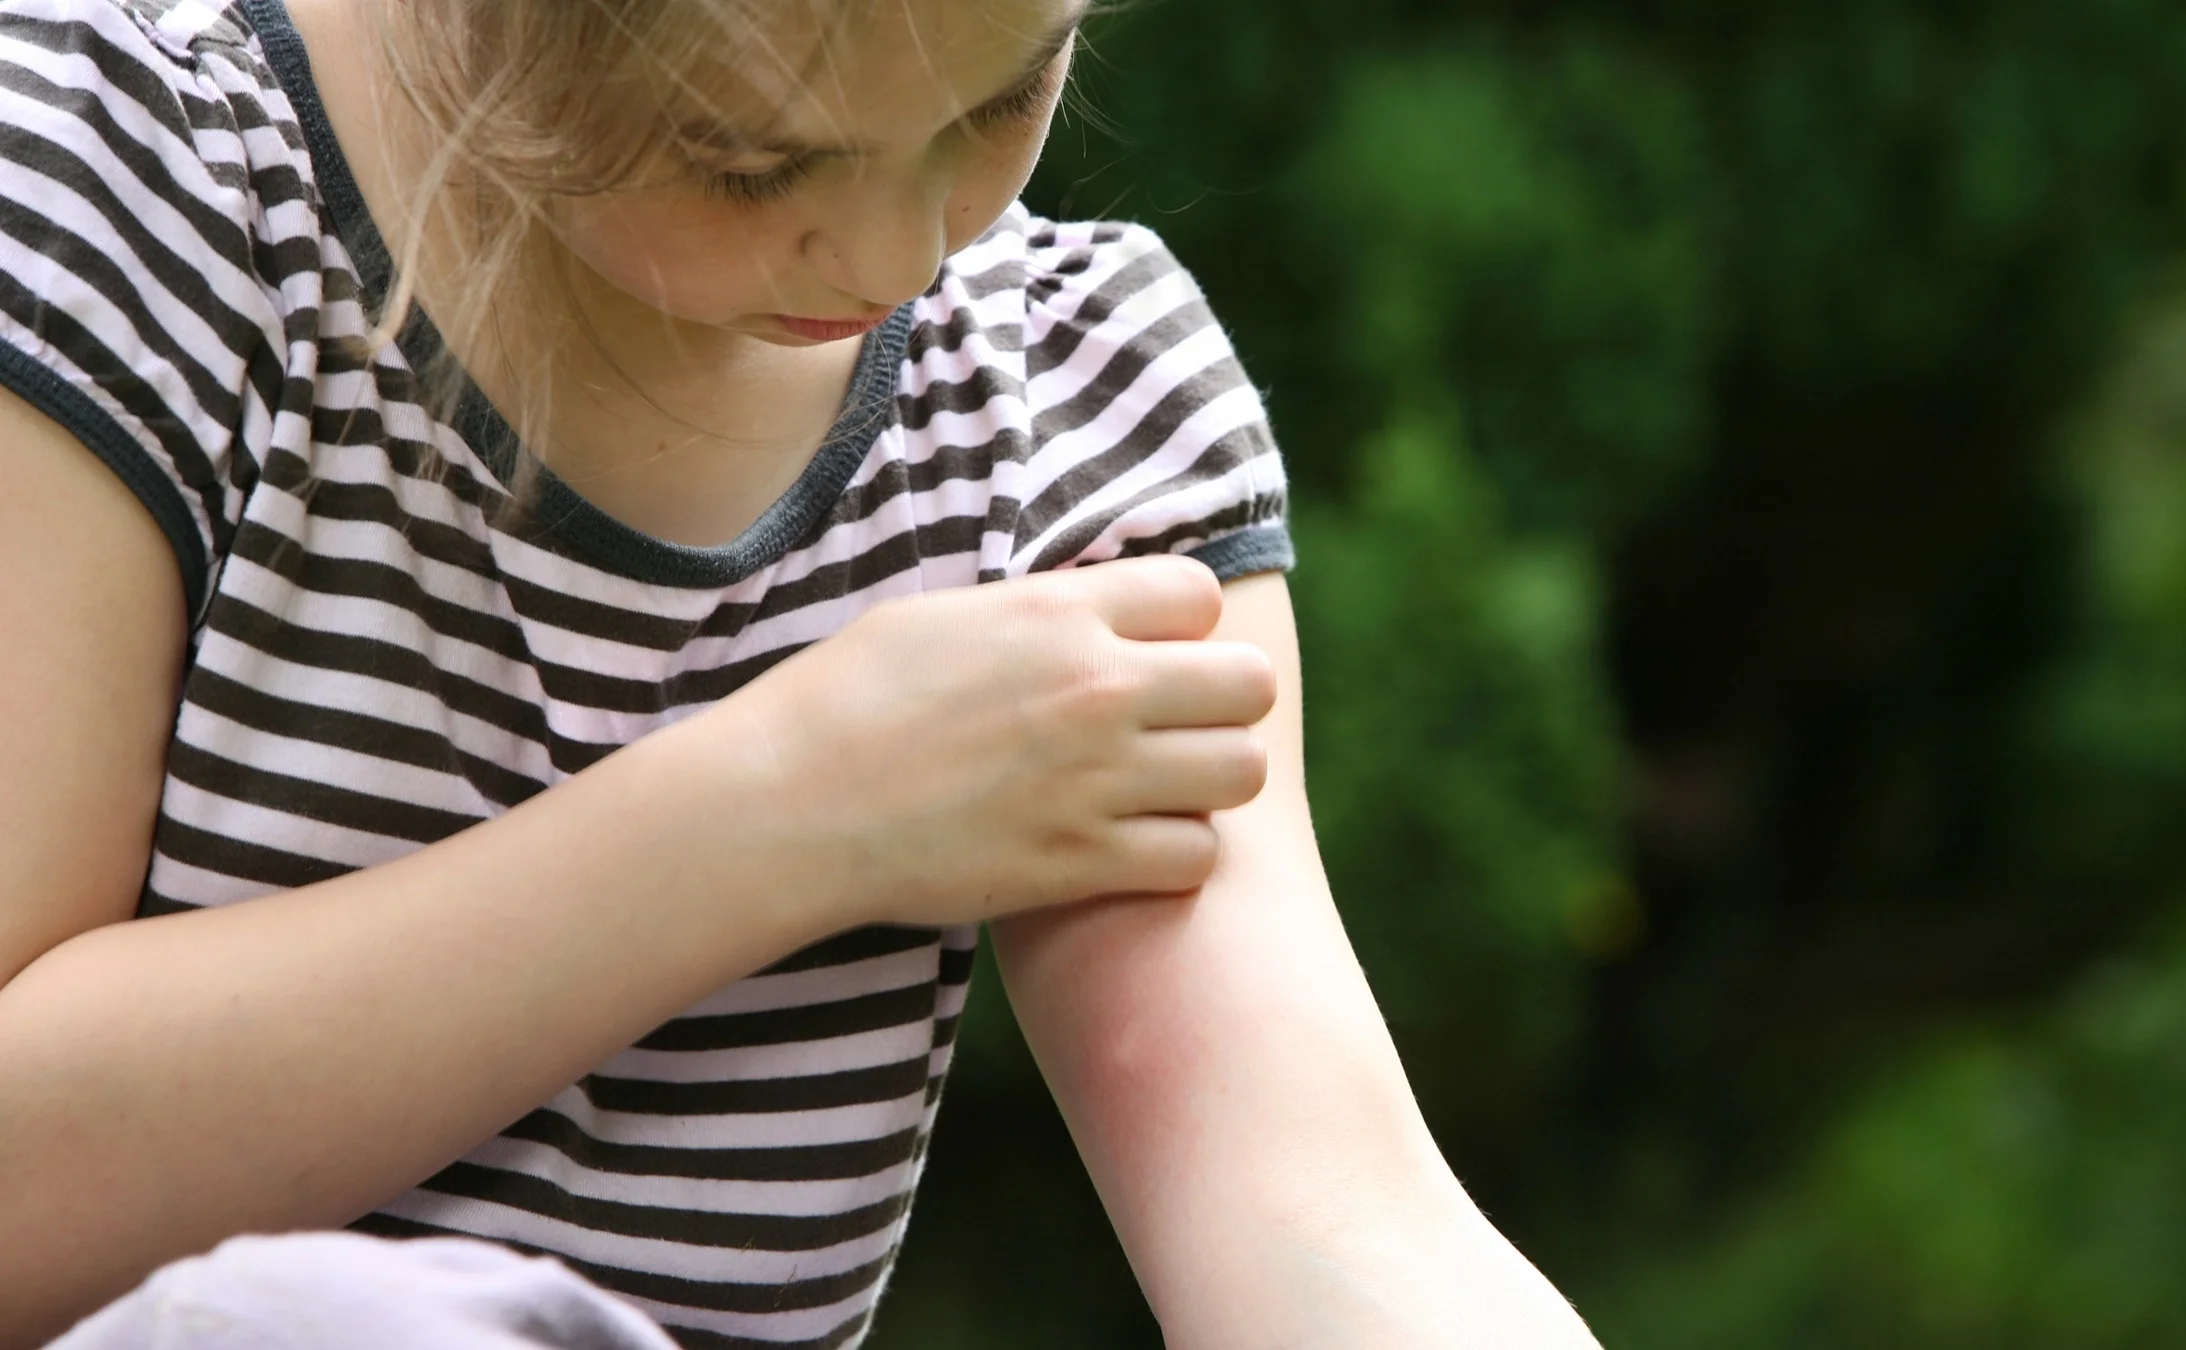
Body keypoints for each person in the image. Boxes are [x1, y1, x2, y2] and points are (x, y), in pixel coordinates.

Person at [0, 0, 1601, 1344]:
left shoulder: (1072, 416)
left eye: (1005, 96)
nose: (903, 253)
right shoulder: (122, 189)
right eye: (752, 157)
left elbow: (1322, 1210)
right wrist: (784, 811)